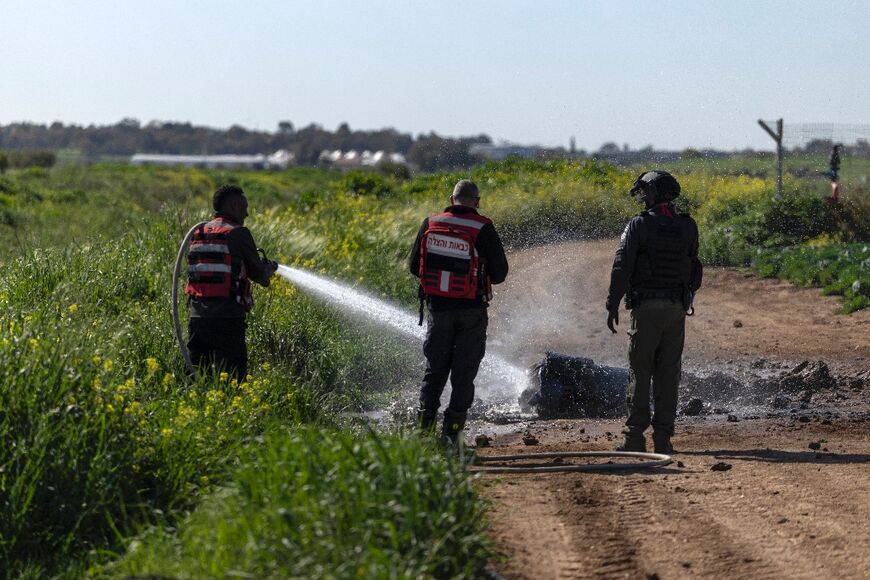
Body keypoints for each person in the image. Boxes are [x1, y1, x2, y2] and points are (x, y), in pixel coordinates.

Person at [605, 170, 702, 454]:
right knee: (669, 375)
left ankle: (634, 438)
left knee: (640, 372)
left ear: (656, 194)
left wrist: (612, 304)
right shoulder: (688, 225)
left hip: (645, 309)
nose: (643, 197)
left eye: (646, 192)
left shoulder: (639, 225)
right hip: (676, 310)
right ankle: (663, 439)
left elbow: (621, 267)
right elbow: (694, 269)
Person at [409, 179, 509, 446]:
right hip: (471, 312)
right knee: (463, 374)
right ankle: (452, 436)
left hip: (438, 309)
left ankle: (422, 433)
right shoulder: (483, 227)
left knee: (435, 370)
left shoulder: (430, 223)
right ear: (476, 202)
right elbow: (500, 274)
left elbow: (413, 267)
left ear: (451, 199)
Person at [185, 184, 277, 381]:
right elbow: (261, 277)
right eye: (245, 208)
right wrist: (268, 269)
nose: (247, 215)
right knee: (235, 379)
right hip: (227, 319)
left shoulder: (199, 231)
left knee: (196, 377)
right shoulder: (239, 233)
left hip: (197, 319)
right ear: (235, 205)